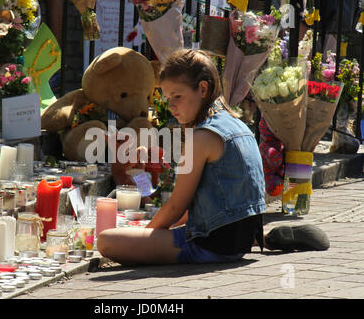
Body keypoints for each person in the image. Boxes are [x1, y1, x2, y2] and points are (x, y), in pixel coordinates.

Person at [97, 49, 330, 266]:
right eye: (168, 98)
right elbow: (195, 204)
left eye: (177, 96)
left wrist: (145, 235)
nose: (172, 106)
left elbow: (177, 206)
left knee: (107, 240)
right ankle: (265, 238)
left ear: (203, 89)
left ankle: (259, 239)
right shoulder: (238, 124)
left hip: (214, 244)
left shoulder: (202, 137)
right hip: (243, 231)